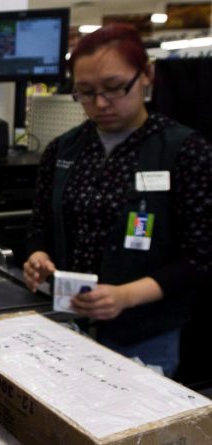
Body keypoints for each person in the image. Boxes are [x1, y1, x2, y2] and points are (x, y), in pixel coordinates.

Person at [24, 24, 212, 377]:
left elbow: (200, 257)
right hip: (66, 321)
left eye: (114, 88)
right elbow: (40, 225)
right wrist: (38, 256)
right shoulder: (64, 150)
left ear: (146, 76)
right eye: (85, 92)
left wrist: (125, 296)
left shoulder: (184, 151)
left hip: (145, 332)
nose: (100, 104)